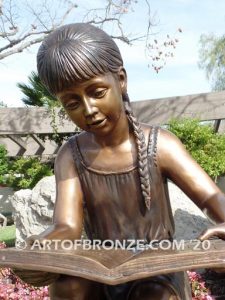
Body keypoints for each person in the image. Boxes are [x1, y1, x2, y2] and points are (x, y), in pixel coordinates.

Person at [24, 23, 225, 299]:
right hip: (101, 268)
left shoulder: (160, 145)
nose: (88, 110)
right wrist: (43, 246)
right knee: (68, 285)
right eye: (72, 103)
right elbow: (67, 226)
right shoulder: (71, 156)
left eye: (96, 92)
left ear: (120, 80)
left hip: (157, 270)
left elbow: (212, 197)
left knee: (152, 294)